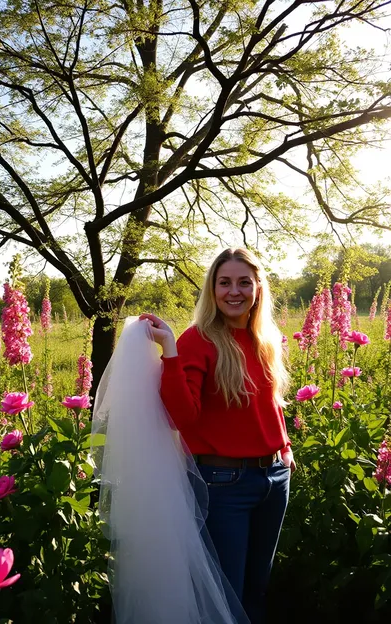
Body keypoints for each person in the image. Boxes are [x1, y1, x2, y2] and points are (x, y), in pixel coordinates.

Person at [140, 247, 295, 624]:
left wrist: (284, 447)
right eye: (224, 283)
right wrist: (171, 351)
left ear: (258, 287)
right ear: (212, 289)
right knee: (227, 592)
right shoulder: (199, 340)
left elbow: (268, 401)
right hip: (224, 483)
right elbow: (181, 418)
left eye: (244, 282)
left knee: (257, 586)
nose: (234, 291)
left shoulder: (265, 337)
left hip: (274, 478)